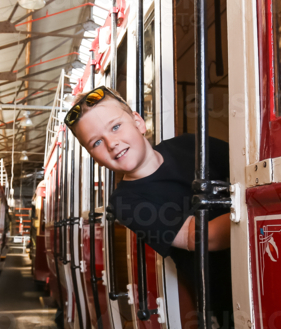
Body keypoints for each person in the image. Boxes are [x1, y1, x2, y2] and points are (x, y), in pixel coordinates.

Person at [65, 86, 231, 265]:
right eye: (97, 142)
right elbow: (204, 237)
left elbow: (242, 165)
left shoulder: (189, 144)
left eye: (115, 127)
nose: (111, 143)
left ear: (138, 123)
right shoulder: (124, 203)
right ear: (94, 158)